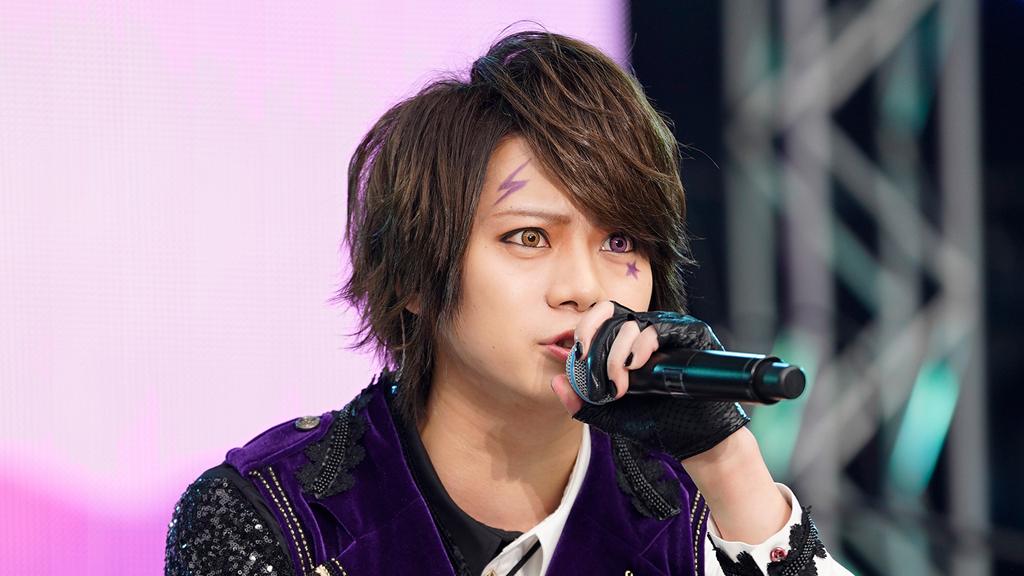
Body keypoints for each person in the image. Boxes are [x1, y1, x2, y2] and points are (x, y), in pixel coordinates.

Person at [165, 30, 852, 576]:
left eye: (619, 242)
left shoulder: (699, 518)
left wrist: (728, 463)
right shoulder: (276, 515)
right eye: (529, 237)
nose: (584, 288)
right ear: (410, 274)